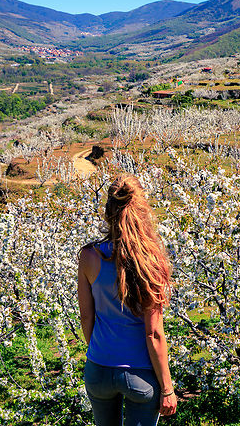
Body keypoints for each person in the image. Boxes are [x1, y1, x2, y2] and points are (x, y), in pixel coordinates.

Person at [78, 173, 178, 425]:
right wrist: (167, 389)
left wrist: (100, 353)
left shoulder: (89, 256)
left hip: (99, 367)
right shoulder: (150, 261)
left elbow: (87, 316)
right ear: (142, 209)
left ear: (108, 211)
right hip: (140, 374)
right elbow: (153, 333)